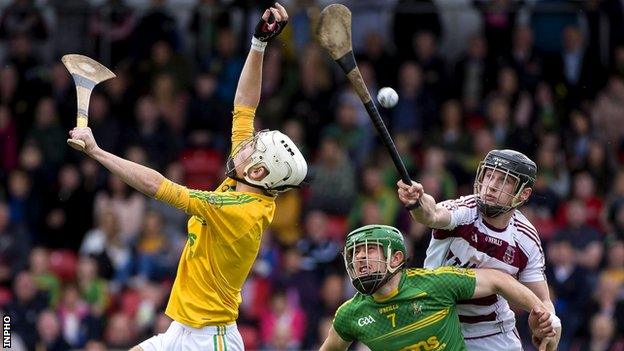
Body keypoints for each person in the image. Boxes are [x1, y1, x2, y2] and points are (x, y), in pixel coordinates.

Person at [68, 3, 306, 350]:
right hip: (182, 330)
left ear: (258, 171)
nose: (242, 143)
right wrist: (258, 44)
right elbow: (244, 105)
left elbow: (158, 187)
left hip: (212, 341)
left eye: (250, 147)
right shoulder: (249, 177)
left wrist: (97, 152)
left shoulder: (236, 209)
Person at [396, 149, 561, 350]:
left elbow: (543, 300)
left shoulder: (526, 239)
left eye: (503, 181)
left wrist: (547, 325)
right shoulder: (464, 210)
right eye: (489, 176)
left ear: (523, 194)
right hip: (436, 323)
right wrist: (418, 202)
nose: (491, 186)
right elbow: (431, 214)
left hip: (491, 333)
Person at [319, 224, 556, 351]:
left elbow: (497, 279)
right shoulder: (349, 314)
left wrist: (540, 310)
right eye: (354, 253)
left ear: (395, 258)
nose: (359, 258)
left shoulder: (436, 284)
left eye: (369, 250)